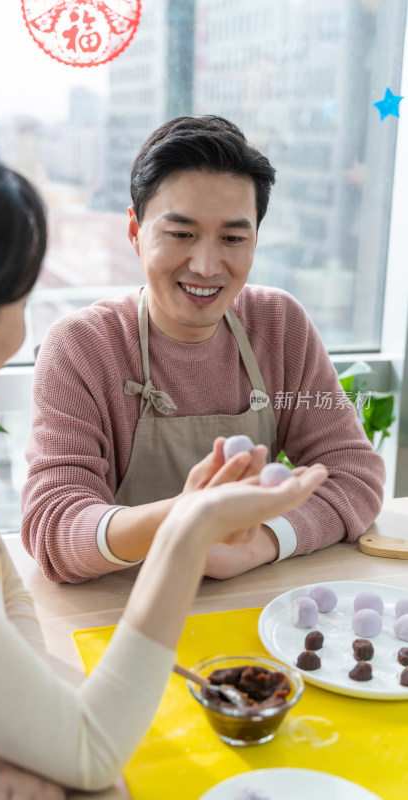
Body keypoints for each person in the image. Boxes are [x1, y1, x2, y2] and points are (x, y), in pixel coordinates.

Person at [0, 121, 327, 800]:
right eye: (21, 298)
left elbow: (4, 589)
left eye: (234, 237)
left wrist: (23, 726)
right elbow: (91, 749)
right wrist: (185, 529)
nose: (207, 265)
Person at [22, 114, 385, 584]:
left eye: (233, 238)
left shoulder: (279, 325)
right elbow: (54, 524)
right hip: (120, 610)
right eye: (181, 234)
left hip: (250, 604)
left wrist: (261, 543)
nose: (207, 265)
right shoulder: (83, 346)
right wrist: (188, 520)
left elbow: (353, 471)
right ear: (135, 232)